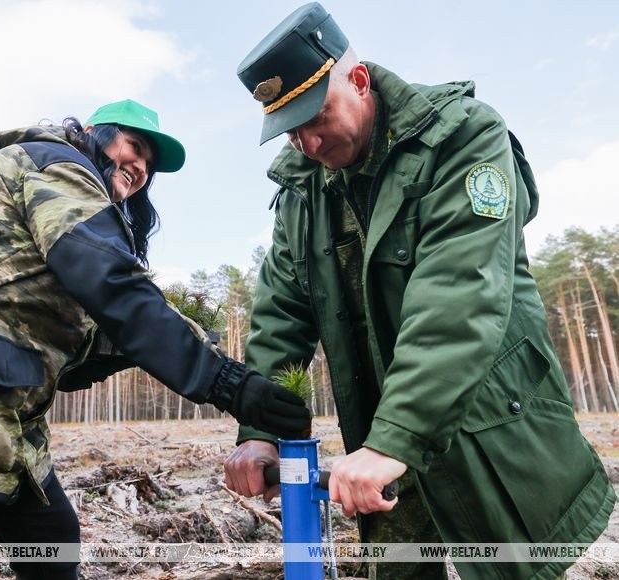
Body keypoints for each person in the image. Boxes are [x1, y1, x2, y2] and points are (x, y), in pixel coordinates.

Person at [0, 98, 311, 580]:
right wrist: (226, 382)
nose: (139, 166)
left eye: (148, 165)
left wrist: (176, 343)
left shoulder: (78, 222)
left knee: (53, 539)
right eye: (134, 146)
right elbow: (110, 282)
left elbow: (81, 351)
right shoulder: (57, 166)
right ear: (95, 135)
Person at [223, 4, 615, 579]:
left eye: (316, 115)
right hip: (382, 427)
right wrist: (261, 433)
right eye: (289, 128)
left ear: (357, 80)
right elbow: (281, 311)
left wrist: (393, 441)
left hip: (489, 413)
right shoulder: (301, 188)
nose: (306, 141)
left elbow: (459, 294)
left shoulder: (462, 136)